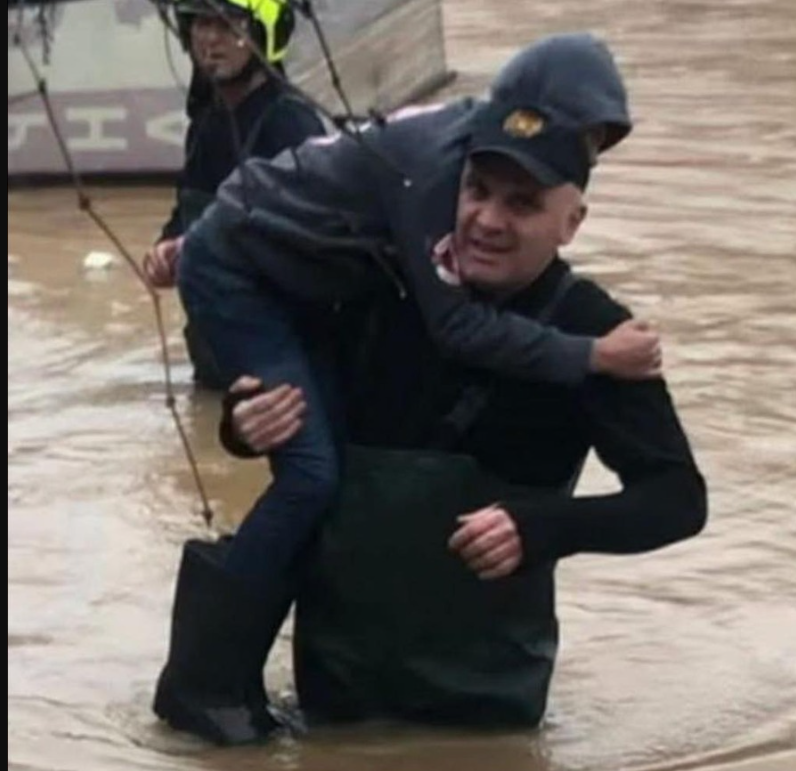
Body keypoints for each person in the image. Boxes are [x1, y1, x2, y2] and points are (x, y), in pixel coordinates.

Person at [151, 32, 664, 746]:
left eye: (524, 200)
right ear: (460, 170)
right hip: (333, 700)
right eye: (479, 191)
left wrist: (545, 526)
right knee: (310, 477)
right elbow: (286, 398)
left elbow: (676, 499)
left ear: (573, 216)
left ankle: (208, 687)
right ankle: (206, 685)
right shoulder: (382, 295)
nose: (489, 219)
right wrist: (242, 424)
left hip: (485, 715)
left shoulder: (592, 327)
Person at [143, 0, 324, 389]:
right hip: (216, 362)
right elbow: (188, 207)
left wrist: (204, 243)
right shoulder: (206, 122)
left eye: (227, 24)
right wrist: (166, 248)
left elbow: (313, 242)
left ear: (264, 33)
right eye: (200, 23)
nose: (210, 39)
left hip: (283, 372)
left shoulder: (291, 124)